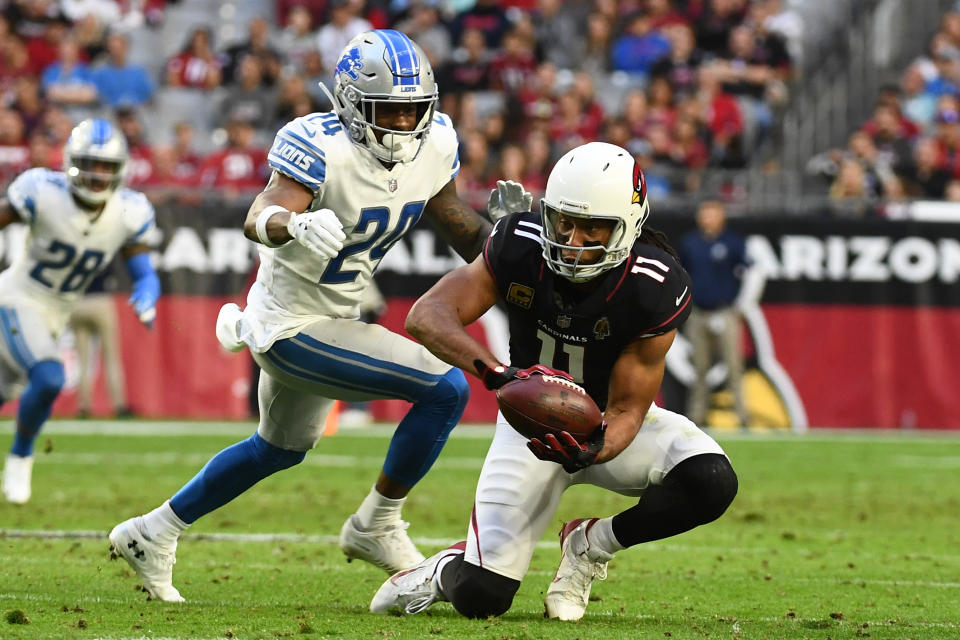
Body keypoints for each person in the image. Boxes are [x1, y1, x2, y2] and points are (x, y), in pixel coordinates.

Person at [107, 29, 532, 603]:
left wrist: (515, 248)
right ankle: (376, 523)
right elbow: (259, 215)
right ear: (354, 105)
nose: (406, 124)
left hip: (332, 316)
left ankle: (151, 532)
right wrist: (295, 224)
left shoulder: (434, 145)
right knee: (445, 389)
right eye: (391, 110)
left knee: (278, 449)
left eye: (415, 109)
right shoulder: (317, 144)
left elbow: (454, 217)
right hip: (289, 324)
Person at [369, 141, 738, 621]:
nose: (573, 239)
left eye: (592, 227)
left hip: (606, 425)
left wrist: (597, 447)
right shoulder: (521, 245)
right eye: (564, 220)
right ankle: (443, 570)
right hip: (528, 429)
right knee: (483, 597)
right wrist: (497, 374)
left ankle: (590, 545)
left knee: (711, 481)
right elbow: (428, 315)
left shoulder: (653, 283)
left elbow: (629, 407)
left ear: (628, 227)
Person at [0, 118, 160, 504]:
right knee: (51, 377)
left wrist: (147, 291)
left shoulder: (128, 210)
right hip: (17, 299)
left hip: (55, 314)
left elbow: (142, 268)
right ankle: (21, 457)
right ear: (72, 162)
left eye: (106, 165)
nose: (98, 173)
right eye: (91, 163)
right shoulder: (43, 190)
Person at [678, 201, 750, 428]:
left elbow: (752, 271)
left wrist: (741, 305)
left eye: (712, 213)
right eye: (704, 213)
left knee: (734, 365)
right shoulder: (690, 243)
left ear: (721, 216)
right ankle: (697, 416)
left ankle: (743, 416)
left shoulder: (733, 243)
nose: (707, 217)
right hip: (698, 313)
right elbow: (681, 276)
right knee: (699, 367)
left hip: (725, 311)